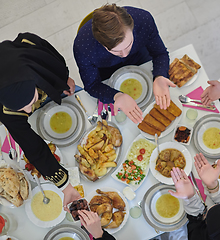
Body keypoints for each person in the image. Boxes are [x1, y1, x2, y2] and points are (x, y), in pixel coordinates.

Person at [0, 32, 82, 209]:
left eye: (30, 103)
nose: (29, 111)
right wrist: (66, 187)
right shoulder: (6, 111)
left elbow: (56, 63)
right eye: (22, 109)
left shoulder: (31, 46)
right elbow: (34, 148)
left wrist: (63, 80)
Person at [73, 4, 175, 124]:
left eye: (128, 45)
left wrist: (160, 76)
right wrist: (116, 96)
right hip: (107, 70)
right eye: (115, 50)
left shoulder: (144, 19)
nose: (125, 54)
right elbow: (92, 85)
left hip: (140, 57)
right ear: (101, 43)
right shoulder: (83, 47)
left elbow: (159, 53)